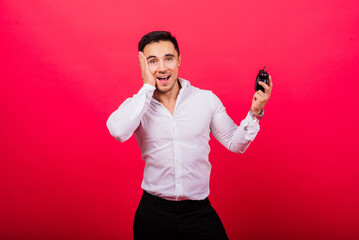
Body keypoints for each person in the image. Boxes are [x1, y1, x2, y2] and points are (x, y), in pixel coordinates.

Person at [106, 31, 273, 240]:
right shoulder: (139, 106)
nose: (162, 67)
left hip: (198, 212)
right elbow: (118, 131)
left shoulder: (206, 100)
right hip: (153, 214)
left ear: (179, 60)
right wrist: (147, 87)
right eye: (152, 61)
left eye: (168, 58)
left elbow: (235, 143)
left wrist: (255, 112)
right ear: (143, 66)